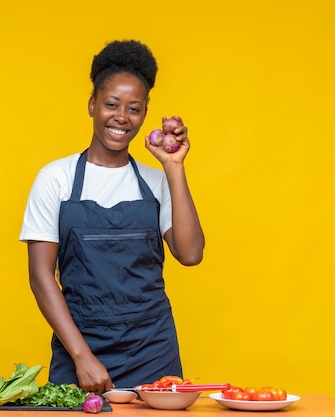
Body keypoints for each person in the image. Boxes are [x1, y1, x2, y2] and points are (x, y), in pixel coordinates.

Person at [19, 40, 204, 393]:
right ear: (92, 105)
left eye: (134, 108)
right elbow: (41, 276)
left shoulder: (156, 182)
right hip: (81, 346)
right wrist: (82, 357)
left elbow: (191, 254)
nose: (122, 117)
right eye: (111, 104)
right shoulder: (55, 179)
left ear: (145, 114)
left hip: (154, 350)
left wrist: (174, 167)